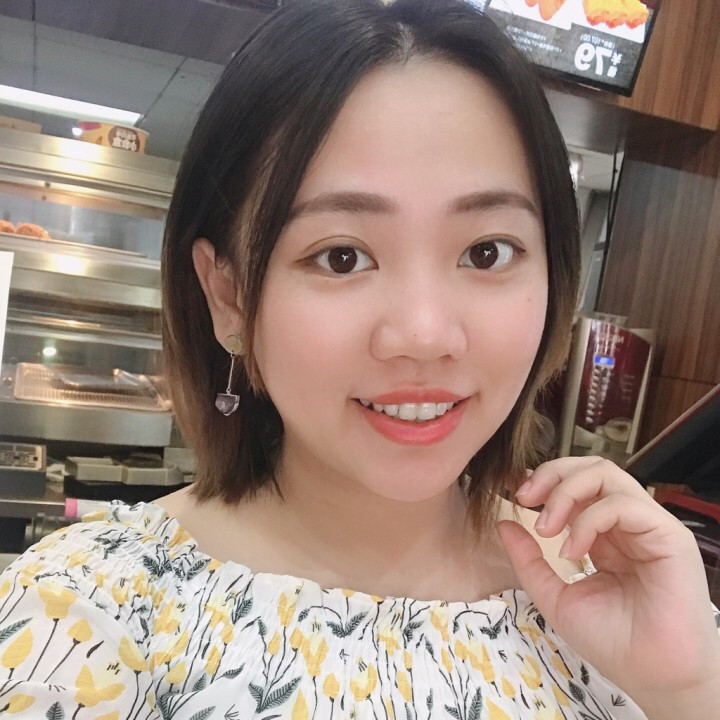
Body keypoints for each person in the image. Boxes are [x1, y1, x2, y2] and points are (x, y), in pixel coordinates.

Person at [0, 0, 718, 717]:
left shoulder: (626, 593)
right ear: (229, 296)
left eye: (486, 252)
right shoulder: (81, 619)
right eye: (341, 256)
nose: (425, 334)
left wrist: (684, 690)